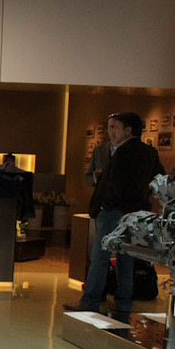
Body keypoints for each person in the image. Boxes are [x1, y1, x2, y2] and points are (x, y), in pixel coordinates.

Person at [65, 111, 165, 319]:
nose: (111, 132)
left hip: (114, 211)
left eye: (115, 127)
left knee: (101, 256)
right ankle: (124, 302)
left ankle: (90, 300)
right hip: (135, 211)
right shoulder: (149, 152)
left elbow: (115, 184)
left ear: (128, 130)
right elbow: (159, 178)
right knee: (126, 256)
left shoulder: (124, 151)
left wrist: (105, 205)